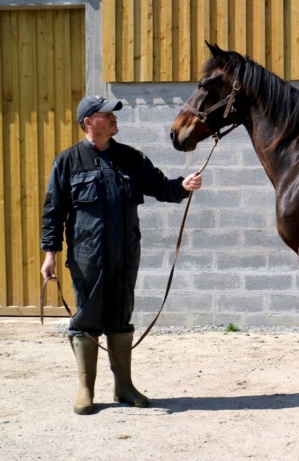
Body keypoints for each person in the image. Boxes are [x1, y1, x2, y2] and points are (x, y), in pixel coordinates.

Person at [41, 95, 202, 415]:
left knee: (120, 317)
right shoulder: (68, 161)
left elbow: (161, 187)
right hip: (88, 257)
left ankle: (124, 387)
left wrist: (183, 186)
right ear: (89, 122)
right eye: (107, 115)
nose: (114, 118)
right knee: (87, 319)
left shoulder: (131, 157)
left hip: (126, 254)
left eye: (114, 114)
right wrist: (50, 255)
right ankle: (86, 389)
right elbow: (53, 212)